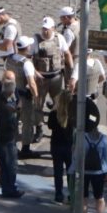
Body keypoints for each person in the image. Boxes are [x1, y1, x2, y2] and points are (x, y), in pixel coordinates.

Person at [32, 16, 73, 145]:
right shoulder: (36, 40)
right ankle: (39, 128)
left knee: (59, 104)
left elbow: (67, 54)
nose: (45, 31)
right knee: (38, 104)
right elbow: (29, 57)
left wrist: (70, 71)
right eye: (43, 29)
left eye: (47, 29)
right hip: (41, 79)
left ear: (53, 29)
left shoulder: (59, 38)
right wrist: (35, 72)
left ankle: (60, 127)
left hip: (56, 77)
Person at [69, 114, 107, 213]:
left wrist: (73, 170)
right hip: (98, 173)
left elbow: (76, 156)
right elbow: (106, 157)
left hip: (84, 172)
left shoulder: (82, 138)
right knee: (100, 198)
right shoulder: (103, 139)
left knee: (84, 200)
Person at [5, 35, 39, 158]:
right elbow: (31, 83)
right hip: (24, 97)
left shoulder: (9, 59)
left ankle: (12, 145)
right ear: (27, 48)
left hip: (11, 95)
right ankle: (26, 148)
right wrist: (36, 96)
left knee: (13, 121)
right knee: (27, 122)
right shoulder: (27, 64)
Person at [0, 70, 24, 198]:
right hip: (6, 138)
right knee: (10, 165)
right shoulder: (5, 105)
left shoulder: (2, 98)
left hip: (3, 137)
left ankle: (7, 188)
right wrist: (17, 110)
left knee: (5, 164)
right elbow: (12, 117)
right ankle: (10, 189)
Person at [47, 91, 74, 203]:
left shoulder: (54, 114)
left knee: (58, 171)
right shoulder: (73, 114)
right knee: (70, 171)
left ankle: (59, 194)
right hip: (69, 146)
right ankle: (71, 194)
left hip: (56, 145)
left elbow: (49, 126)